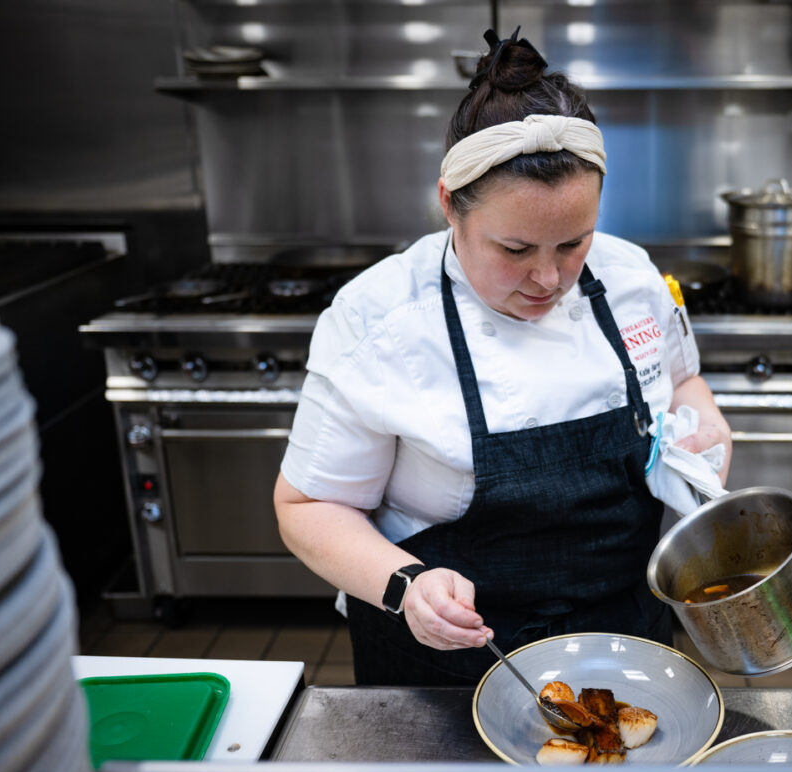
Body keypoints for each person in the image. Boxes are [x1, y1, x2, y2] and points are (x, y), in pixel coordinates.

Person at [273, 28, 732, 686]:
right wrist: (406, 585)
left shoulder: (631, 279)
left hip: (622, 639)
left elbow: (682, 379)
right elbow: (306, 506)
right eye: (515, 250)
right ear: (449, 209)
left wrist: (703, 422)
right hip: (450, 663)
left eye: (574, 243)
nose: (548, 278)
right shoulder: (379, 320)